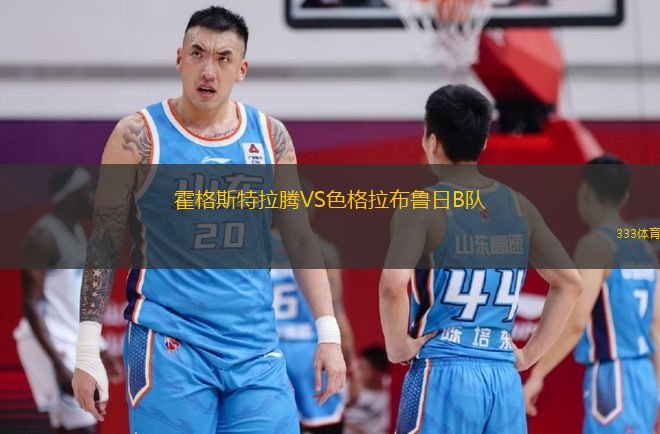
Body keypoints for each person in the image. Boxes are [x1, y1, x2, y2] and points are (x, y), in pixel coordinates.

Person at [70, 6, 345, 434]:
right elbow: (103, 244)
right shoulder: (137, 136)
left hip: (255, 349)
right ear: (179, 58)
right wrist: (87, 348)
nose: (208, 70)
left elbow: (300, 241)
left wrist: (328, 334)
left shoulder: (271, 137)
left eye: (223, 58)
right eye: (197, 53)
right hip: (170, 343)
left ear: (242, 69)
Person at [379, 84, 583, 434]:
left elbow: (392, 286)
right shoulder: (520, 206)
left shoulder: (422, 206)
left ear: (432, 141)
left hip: (444, 368)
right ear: (484, 141)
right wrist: (528, 355)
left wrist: (398, 347)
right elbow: (570, 283)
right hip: (503, 378)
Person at [523, 156, 660, 433]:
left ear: (585, 191)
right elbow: (656, 326)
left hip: (613, 378)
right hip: (646, 377)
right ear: (625, 197)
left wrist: (537, 374)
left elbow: (575, 322)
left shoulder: (596, 245)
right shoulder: (644, 247)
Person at [14, 167, 123, 434]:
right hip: (52, 344)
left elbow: (74, 303)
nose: (92, 197)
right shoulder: (44, 237)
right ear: (70, 196)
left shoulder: (75, 232)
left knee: (69, 428)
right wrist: (57, 364)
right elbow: (30, 304)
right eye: (86, 191)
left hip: (68, 341)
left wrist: (100, 347)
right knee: (85, 426)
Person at [272, 179, 359, 433]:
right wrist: (352, 367)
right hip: (311, 353)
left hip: (268, 352)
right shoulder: (322, 250)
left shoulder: (251, 248)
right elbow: (337, 311)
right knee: (324, 425)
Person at [344, 346, 391, 434]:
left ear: (379, 373)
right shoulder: (347, 387)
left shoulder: (387, 391)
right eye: (359, 367)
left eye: (364, 369)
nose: (359, 373)